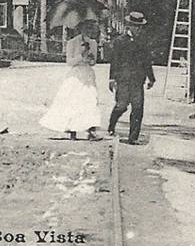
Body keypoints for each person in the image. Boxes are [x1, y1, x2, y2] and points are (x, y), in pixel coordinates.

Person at [39, 20, 102, 140]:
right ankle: (73, 130)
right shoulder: (72, 43)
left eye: (90, 28)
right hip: (75, 75)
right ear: (80, 28)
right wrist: (81, 56)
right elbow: (69, 62)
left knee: (90, 100)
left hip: (88, 74)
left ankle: (91, 131)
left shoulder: (93, 43)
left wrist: (90, 59)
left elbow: (93, 62)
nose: (88, 31)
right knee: (74, 101)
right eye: (85, 28)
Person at [107, 11, 155, 145]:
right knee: (121, 106)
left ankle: (133, 137)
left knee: (138, 108)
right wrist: (112, 79)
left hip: (138, 80)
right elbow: (114, 61)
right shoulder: (120, 41)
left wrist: (151, 78)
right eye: (136, 26)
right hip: (123, 80)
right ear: (129, 26)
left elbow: (147, 61)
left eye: (140, 27)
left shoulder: (143, 42)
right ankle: (111, 125)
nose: (138, 29)